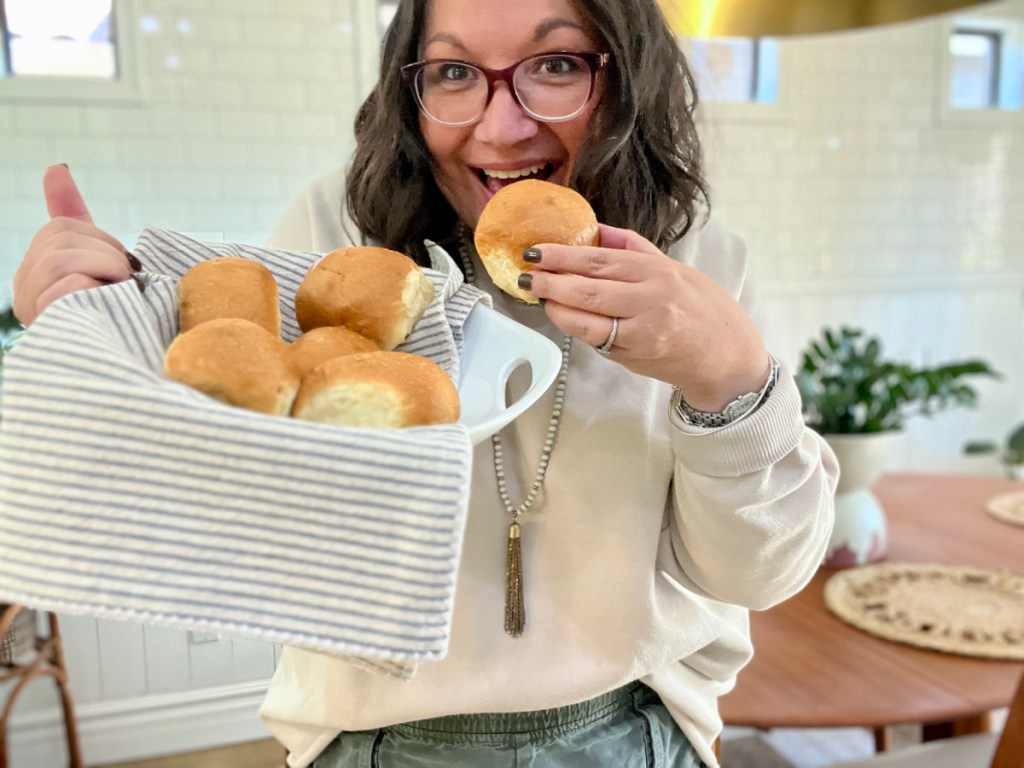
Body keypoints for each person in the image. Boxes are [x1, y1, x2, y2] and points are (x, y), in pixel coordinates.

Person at [12, 0, 839, 766]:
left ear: (629, 76)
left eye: (555, 65)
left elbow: (758, 576)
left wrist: (730, 379)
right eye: (452, 73)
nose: (502, 126)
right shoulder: (336, 241)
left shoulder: (704, 263)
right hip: (375, 737)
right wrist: (115, 343)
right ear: (409, 93)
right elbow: (238, 524)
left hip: (636, 727)